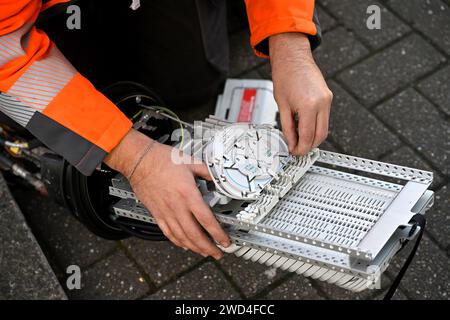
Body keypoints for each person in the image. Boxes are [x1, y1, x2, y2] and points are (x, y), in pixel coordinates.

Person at [0, 0, 332, 260]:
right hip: (34, 14)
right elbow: (6, 50)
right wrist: (136, 158)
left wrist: (290, 44)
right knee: (65, 125)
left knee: (194, 82)